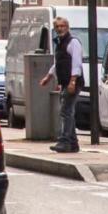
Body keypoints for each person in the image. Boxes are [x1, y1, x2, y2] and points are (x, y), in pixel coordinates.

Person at [38, 16, 83, 154]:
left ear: (67, 27)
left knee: (65, 111)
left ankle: (64, 141)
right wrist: (48, 76)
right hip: (65, 82)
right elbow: (58, 63)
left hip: (73, 82)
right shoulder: (60, 43)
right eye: (57, 27)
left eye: (62, 26)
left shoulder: (73, 42)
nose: (59, 29)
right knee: (68, 112)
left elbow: (77, 63)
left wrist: (73, 81)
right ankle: (73, 143)